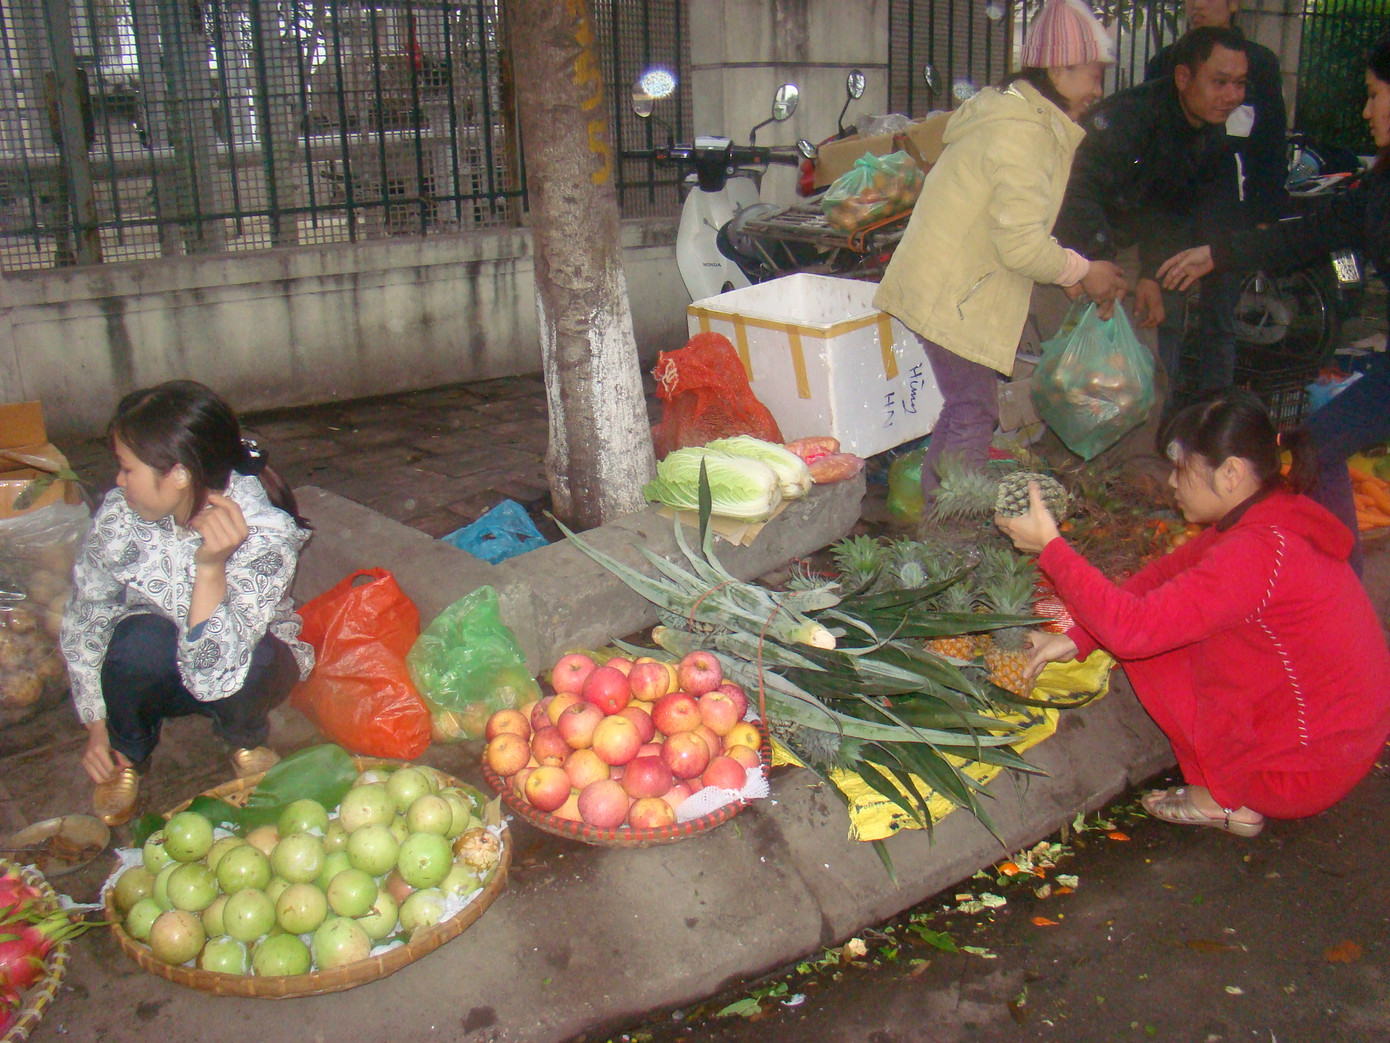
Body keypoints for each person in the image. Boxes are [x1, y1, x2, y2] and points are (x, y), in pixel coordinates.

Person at [995, 388, 1390, 837]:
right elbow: (1164, 575)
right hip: (1340, 743)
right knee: (1172, 618)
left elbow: (1133, 629)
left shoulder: (1255, 553)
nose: (1171, 483)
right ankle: (1230, 781)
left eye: (1181, 469)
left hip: (1302, 771)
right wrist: (1077, 638)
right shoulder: (1272, 513)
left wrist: (1052, 549)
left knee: (1152, 648)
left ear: (1230, 474)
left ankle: (1223, 799)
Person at [873, 0, 1127, 506]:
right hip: (953, 293)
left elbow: (1013, 227)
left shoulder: (1017, 115)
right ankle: (953, 529)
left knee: (966, 407)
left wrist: (1065, 271)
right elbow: (1021, 244)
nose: (1098, 90)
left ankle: (938, 517)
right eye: (1094, 75)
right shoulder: (1023, 132)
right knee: (973, 411)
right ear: (1059, 70)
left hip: (947, 285)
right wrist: (1082, 268)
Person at [1158, 32, 1390, 576]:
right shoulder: (1381, 184)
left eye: (1375, 93)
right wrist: (1218, 253)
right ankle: (1341, 588)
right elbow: (1311, 233)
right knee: (1316, 444)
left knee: (1317, 443)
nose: (1366, 109)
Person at [59, 381, 315, 827]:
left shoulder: (264, 535)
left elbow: (218, 676)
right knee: (133, 642)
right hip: (162, 669)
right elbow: (88, 613)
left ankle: (244, 738)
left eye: (126, 469)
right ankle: (128, 754)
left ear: (177, 474)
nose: (118, 482)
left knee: (260, 655)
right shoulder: (120, 517)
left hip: (235, 672)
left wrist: (210, 569)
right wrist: (97, 723)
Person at [1054, 26, 1251, 408]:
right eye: (1220, 82)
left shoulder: (1208, 130)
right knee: (1074, 371)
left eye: (1240, 84)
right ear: (1183, 77)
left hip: (1128, 244)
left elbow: (1175, 206)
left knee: (1144, 357)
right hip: (1070, 244)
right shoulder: (1132, 118)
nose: (1231, 96)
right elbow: (1077, 189)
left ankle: (1144, 453)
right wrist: (1100, 264)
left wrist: (1150, 273)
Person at [1146, 0, 1289, 393]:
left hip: (1228, 214)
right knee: (1168, 319)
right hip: (1174, 212)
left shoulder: (1259, 64)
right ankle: (1163, 416)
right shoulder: (1165, 63)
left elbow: (1270, 144)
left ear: (1233, 4)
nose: (1196, 5)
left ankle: (1216, 410)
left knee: (1220, 323)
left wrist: (1263, 216)